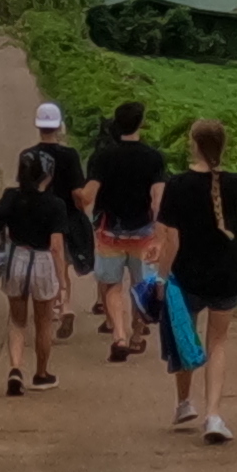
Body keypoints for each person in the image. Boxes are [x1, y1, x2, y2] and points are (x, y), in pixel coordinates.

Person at [156, 114, 237, 443]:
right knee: (218, 342)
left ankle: (185, 403)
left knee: (186, 336)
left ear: (193, 145)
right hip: (227, 272)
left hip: (187, 274)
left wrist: (162, 276)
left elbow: (171, 239)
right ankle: (214, 415)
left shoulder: (177, 185)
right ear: (222, 146)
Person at [0, 141, 82, 391]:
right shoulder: (55, 205)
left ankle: (15, 368)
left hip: (16, 258)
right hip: (42, 262)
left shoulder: (11, 197)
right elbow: (56, 246)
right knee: (44, 322)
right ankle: (41, 373)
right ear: (46, 174)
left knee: (17, 320)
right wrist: (61, 282)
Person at [83, 102, 167, 362]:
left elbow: (88, 197)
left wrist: (76, 196)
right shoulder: (154, 157)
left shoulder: (102, 157)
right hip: (143, 232)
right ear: (141, 123)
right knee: (142, 286)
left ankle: (118, 335)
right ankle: (137, 336)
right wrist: (160, 232)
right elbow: (157, 200)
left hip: (111, 231)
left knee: (112, 285)